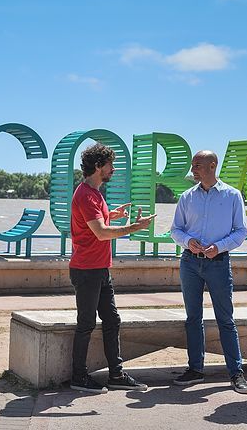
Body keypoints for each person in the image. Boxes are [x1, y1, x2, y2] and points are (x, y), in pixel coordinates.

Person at [69, 142, 156, 394]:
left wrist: (112, 215)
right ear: (98, 166)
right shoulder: (85, 194)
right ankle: (78, 376)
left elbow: (96, 223)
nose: (113, 169)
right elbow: (100, 233)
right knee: (86, 323)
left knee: (112, 319)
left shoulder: (94, 194)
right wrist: (133, 228)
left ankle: (116, 375)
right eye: (110, 165)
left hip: (100, 268)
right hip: (86, 270)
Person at [170, 150, 247, 394]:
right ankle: (195, 370)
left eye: (197, 165)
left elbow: (240, 232)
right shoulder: (186, 197)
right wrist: (187, 241)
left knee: (225, 319)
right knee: (192, 318)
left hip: (218, 263)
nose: (193, 169)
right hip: (190, 263)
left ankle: (236, 374)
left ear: (212, 165)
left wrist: (220, 247)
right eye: (193, 165)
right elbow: (175, 230)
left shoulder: (232, 196)